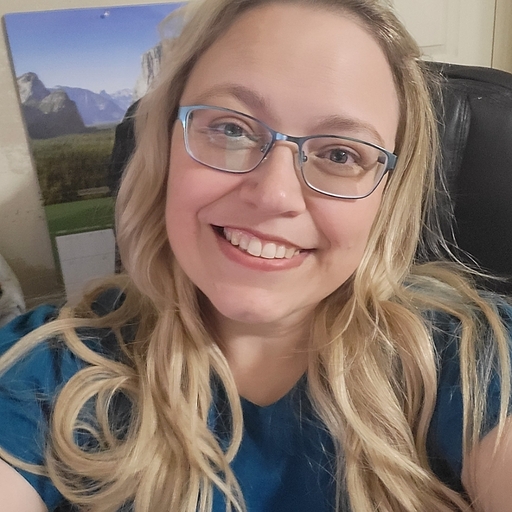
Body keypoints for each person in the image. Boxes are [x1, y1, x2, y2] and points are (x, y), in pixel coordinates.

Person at [1, 0, 512, 510]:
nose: (274, 196)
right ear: (164, 146)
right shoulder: (43, 370)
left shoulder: (470, 355)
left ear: (387, 196)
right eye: (231, 128)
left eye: (340, 154)